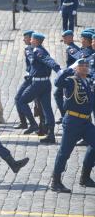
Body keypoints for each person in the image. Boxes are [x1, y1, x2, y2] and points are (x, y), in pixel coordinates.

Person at [50, 59, 95, 192]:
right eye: (81, 65)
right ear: (76, 68)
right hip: (72, 122)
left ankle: (85, 177)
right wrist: (68, 70)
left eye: (86, 65)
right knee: (64, 153)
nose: (85, 67)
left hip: (86, 122)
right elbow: (58, 82)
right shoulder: (71, 81)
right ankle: (56, 182)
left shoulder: (89, 82)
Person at [16, 33, 61, 144]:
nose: (30, 40)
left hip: (38, 84)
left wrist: (58, 70)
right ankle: (50, 134)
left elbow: (48, 60)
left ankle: (33, 124)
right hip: (45, 83)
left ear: (35, 40)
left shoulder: (38, 51)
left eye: (31, 39)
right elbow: (36, 65)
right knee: (47, 109)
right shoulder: (40, 50)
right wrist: (30, 73)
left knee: (21, 101)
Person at [53, 30, 80, 125]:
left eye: (65, 37)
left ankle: (65, 115)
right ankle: (65, 115)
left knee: (58, 94)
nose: (63, 39)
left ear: (70, 37)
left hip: (71, 77)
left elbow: (80, 60)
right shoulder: (70, 47)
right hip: (70, 76)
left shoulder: (72, 49)